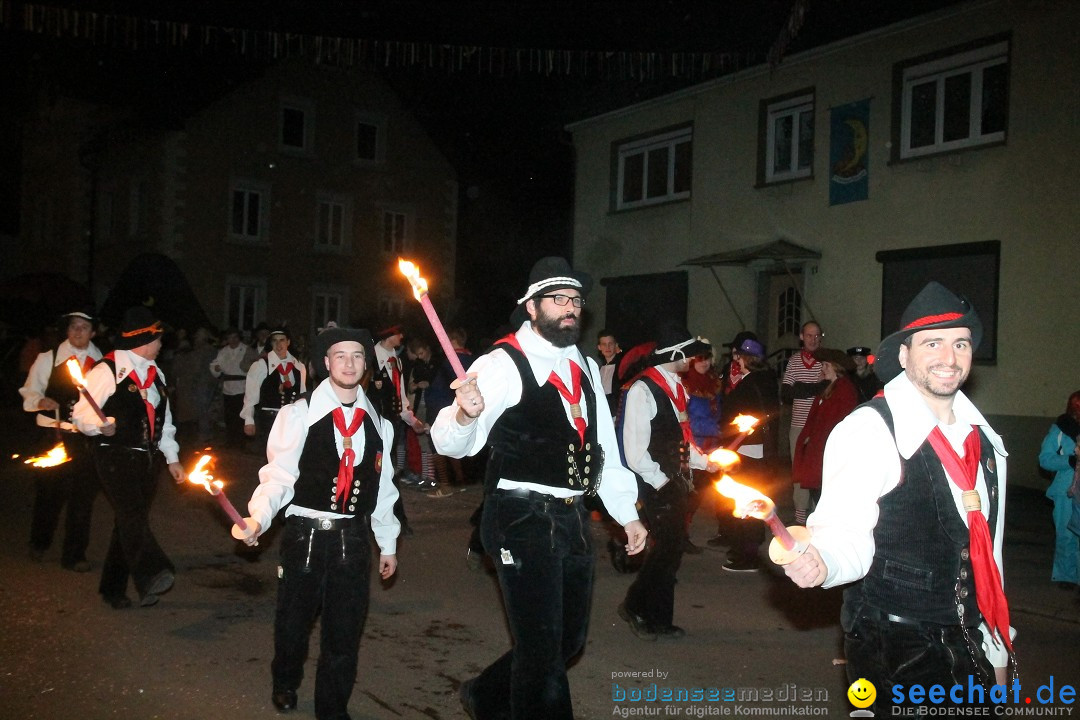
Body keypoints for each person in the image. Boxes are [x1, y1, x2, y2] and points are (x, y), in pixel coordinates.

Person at [430, 256, 647, 720]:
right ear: (531, 307)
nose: (570, 308)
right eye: (558, 299)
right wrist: (465, 413)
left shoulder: (585, 365)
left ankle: (486, 696)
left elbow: (603, 447)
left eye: (576, 300)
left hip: (570, 516)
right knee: (543, 653)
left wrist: (626, 513)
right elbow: (450, 441)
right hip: (519, 516)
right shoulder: (503, 363)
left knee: (565, 642)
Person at [782, 282, 1014, 710]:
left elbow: (989, 559)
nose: (949, 357)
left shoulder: (983, 440)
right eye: (933, 344)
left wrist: (998, 653)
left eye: (960, 343)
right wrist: (824, 561)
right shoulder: (869, 430)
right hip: (894, 651)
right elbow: (843, 530)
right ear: (904, 355)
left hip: (971, 646)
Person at [231, 326, 399, 719]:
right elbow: (279, 476)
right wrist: (258, 518)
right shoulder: (298, 414)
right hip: (305, 537)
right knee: (293, 624)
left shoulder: (380, 423)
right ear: (326, 364)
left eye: (357, 356)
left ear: (366, 364)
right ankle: (285, 681)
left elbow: (384, 487)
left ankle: (332, 707)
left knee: (344, 635)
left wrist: (387, 542)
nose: (349, 363)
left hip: (353, 541)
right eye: (340, 356)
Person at [72, 307, 185, 609]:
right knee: (132, 515)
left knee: (128, 521)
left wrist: (172, 458)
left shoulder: (156, 373)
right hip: (113, 455)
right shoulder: (106, 371)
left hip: (147, 459)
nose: (162, 344)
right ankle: (152, 572)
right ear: (146, 339)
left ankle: (113, 588)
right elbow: (80, 415)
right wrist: (100, 425)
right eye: (159, 338)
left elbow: (166, 420)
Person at [618, 327, 717, 639]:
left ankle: (658, 617)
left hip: (675, 479)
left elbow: (682, 439)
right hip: (657, 482)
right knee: (667, 551)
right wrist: (662, 482)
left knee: (671, 552)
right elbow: (635, 452)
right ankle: (636, 605)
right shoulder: (642, 390)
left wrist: (703, 462)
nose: (694, 358)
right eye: (689, 352)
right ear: (674, 354)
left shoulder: (676, 387)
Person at [19, 308, 103, 571]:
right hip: (53, 434)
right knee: (49, 493)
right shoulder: (49, 358)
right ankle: (40, 542)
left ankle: (75, 554)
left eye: (84, 327)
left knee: (83, 496)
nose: (78, 331)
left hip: (85, 437)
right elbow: (30, 390)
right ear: (66, 331)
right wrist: (40, 400)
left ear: (93, 332)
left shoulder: (100, 360)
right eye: (74, 327)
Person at [711, 338, 780, 571]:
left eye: (738, 356)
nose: (735, 360)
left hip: (747, 451)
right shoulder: (766, 381)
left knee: (746, 502)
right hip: (758, 450)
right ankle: (747, 549)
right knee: (752, 499)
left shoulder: (750, 384)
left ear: (746, 359)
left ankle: (747, 554)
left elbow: (734, 417)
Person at [791, 348, 859, 521]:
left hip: (827, 452)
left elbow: (837, 422)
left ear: (835, 367)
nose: (822, 368)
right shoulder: (830, 387)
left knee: (824, 496)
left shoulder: (844, 389)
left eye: (826, 365)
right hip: (818, 450)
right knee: (817, 492)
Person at [781, 321, 827, 524]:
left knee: (821, 470)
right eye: (809, 335)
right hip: (799, 426)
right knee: (799, 471)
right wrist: (816, 387)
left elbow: (832, 388)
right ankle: (800, 517)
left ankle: (819, 516)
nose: (813, 339)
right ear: (801, 337)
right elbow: (786, 393)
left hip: (821, 426)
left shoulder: (826, 362)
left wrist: (802, 387)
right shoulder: (794, 361)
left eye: (817, 336)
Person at [680, 347, 724, 554]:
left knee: (701, 494)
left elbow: (719, 412)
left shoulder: (714, 382)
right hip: (692, 447)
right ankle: (680, 535)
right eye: (699, 359)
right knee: (689, 494)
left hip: (712, 446)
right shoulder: (684, 384)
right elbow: (684, 419)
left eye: (707, 358)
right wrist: (713, 428)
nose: (704, 363)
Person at [1038, 390, 1080, 588]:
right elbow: (1045, 459)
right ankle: (1066, 576)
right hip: (1067, 488)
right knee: (1066, 533)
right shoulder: (1061, 429)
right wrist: (1069, 460)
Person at [241, 326, 307, 449]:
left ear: (288, 342)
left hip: (292, 421)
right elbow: (251, 395)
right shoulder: (260, 365)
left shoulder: (299, 366)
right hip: (269, 420)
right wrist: (248, 420)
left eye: (282, 340)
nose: (278, 344)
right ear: (271, 343)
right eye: (274, 340)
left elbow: (302, 396)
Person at [209, 327, 257, 447]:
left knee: (241, 415)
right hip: (228, 387)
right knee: (229, 416)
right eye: (230, 338)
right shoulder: (223, 351)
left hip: (242, 387)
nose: (233, 340)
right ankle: (230, 440)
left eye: (235, 337)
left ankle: (242, 442)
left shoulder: (247, 350)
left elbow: (254, 364)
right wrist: (216, 368)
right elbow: (215, 364)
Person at [596, 328, 622, 415]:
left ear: (616, 345)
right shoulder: (598, 369)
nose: (607, 347)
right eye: (604, 344)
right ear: (599, 347)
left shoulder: (623, 367)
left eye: (610, 344)